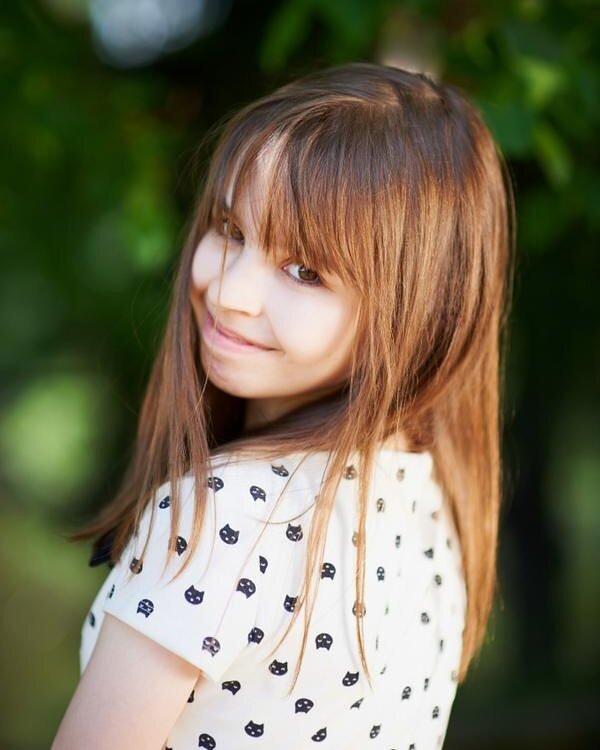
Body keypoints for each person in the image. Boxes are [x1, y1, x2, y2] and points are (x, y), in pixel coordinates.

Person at [52, 61, 515, 749]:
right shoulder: (435, 498)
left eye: (305, 271)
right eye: (230, 230)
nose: (229, 292)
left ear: (420, 316)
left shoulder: (222, 515)